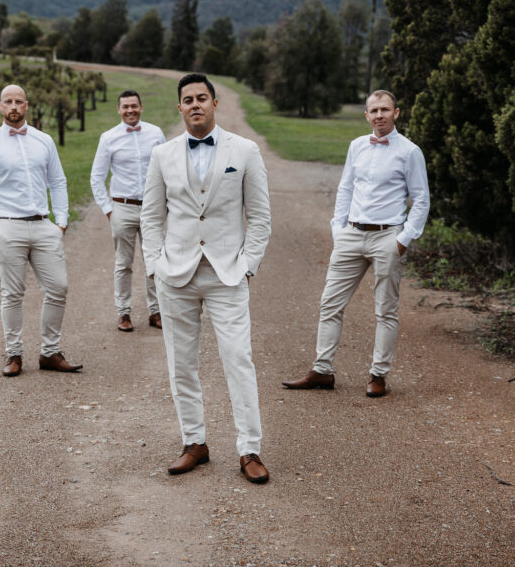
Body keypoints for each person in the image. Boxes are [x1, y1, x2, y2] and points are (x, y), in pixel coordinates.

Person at [141, 73, 272, 484]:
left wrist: (247, 264)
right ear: (179, 108)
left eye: (202, 97)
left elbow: (261, 217)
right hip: (175, 274)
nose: (195, 104)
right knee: (181, 364)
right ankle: (194, 442)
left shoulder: (245, 151)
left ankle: (249, 449)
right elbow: (150, 216)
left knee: (238, 360)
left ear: (215, 103)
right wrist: (154, 265)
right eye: (187, 99)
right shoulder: (162, 154)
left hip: (226, 274)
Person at [282, 90, 429, 397]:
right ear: (366, 115)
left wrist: (403, 239)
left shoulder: (410, 152)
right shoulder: (356, 146)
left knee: (385, 310)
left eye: (385, 109)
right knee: (330, 303)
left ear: (396, 113)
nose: (379, 115)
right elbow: (345, 188)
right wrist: (339, 229)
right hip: (351, 234)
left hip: (388, 236)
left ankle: (378, 375)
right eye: (373, 110)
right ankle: (322, 371)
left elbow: (421, 199)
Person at [0, 84, 83, 378]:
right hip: (7, 226)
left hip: (44, 225)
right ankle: (14, 354)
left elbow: (58, 181)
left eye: (19, 101)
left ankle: (50, 352)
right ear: (0, 106)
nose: (14, 106)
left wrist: (61, 222)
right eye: (8, 101)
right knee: (12, 293)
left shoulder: (44, 141)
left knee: (58, 288)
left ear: (27, 105)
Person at [90, 90, 166, 332]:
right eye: (125, 107)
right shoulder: (108, 138)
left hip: (152, 208)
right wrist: (109, 210)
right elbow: (97, 177)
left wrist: (166, 203)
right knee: (124, 263)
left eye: (134, 106)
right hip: (122, 207)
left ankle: (156, 311)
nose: (130, 110)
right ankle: (123, 313)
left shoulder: (155, 134)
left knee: (154, 261)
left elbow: (167, 170)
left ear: (141, 107)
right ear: (118, 110)